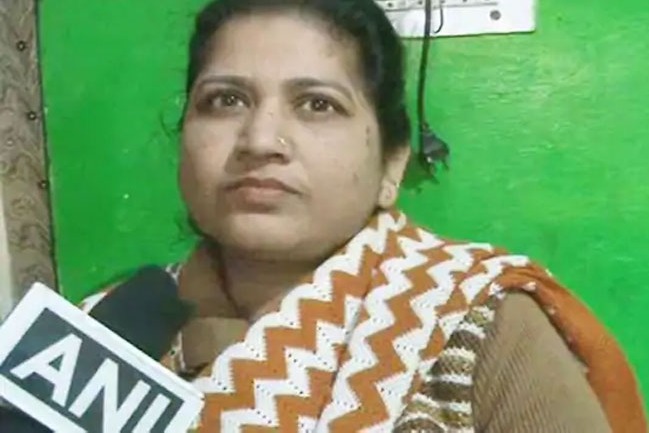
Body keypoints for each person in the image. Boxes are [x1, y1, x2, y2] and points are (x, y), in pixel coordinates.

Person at [80, 0, 646, 431]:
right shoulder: (99, 333)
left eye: (317, 105)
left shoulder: (479, 326)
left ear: (391, 165)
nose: (260, 140)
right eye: (225, 100)